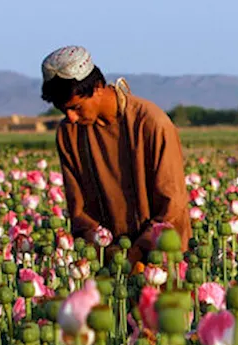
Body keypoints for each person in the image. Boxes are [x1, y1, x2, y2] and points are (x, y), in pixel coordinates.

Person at [40, 46, 192, 264]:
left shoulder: (150, 123)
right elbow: (79, 209)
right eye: (64, 111)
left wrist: (138, 253)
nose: (71, 118)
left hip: (161, 258)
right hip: (110, 260)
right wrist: (104, 248)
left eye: (77, 107)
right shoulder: (69, 133)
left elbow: (172, 205)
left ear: (98, 87)